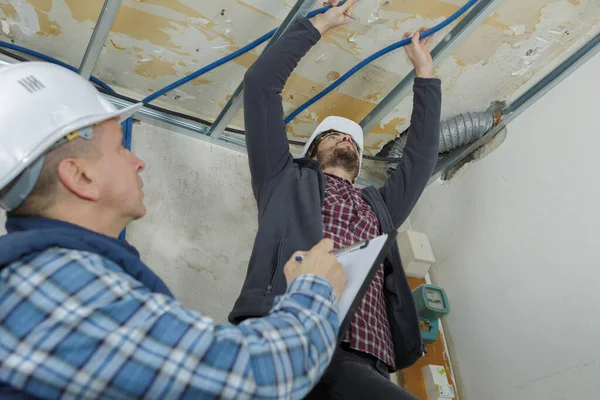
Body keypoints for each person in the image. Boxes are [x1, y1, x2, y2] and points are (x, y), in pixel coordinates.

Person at [0, 61, 348, 399]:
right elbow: (257, 377)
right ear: (80, 176)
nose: (138, 160)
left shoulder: (61, 277)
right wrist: (313, 288)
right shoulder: (56, 286)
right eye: (121, 147)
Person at [229, 0, 442, 398]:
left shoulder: (380, 206)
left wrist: (425, 74)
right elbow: (261, 86)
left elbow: (420, 159)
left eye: (354, 142)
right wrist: (319, 24)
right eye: (333, 135)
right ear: (311, 151)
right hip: (287, 334)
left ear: (360, 166)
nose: (347, 138)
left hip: (366, 358)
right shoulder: (282, 179)